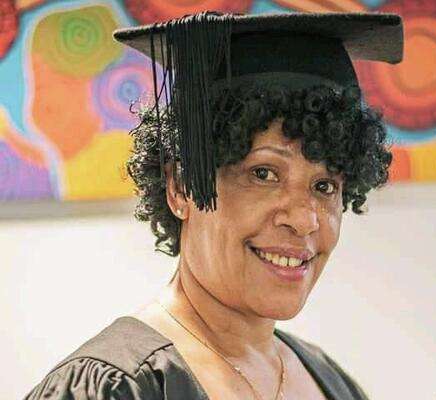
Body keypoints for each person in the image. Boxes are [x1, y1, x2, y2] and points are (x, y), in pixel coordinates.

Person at [25, 10, 403, 400]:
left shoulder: (330, 381)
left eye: (324, 185)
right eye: (264, 174)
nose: (304, 220)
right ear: (181, 187)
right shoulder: (116, 387)